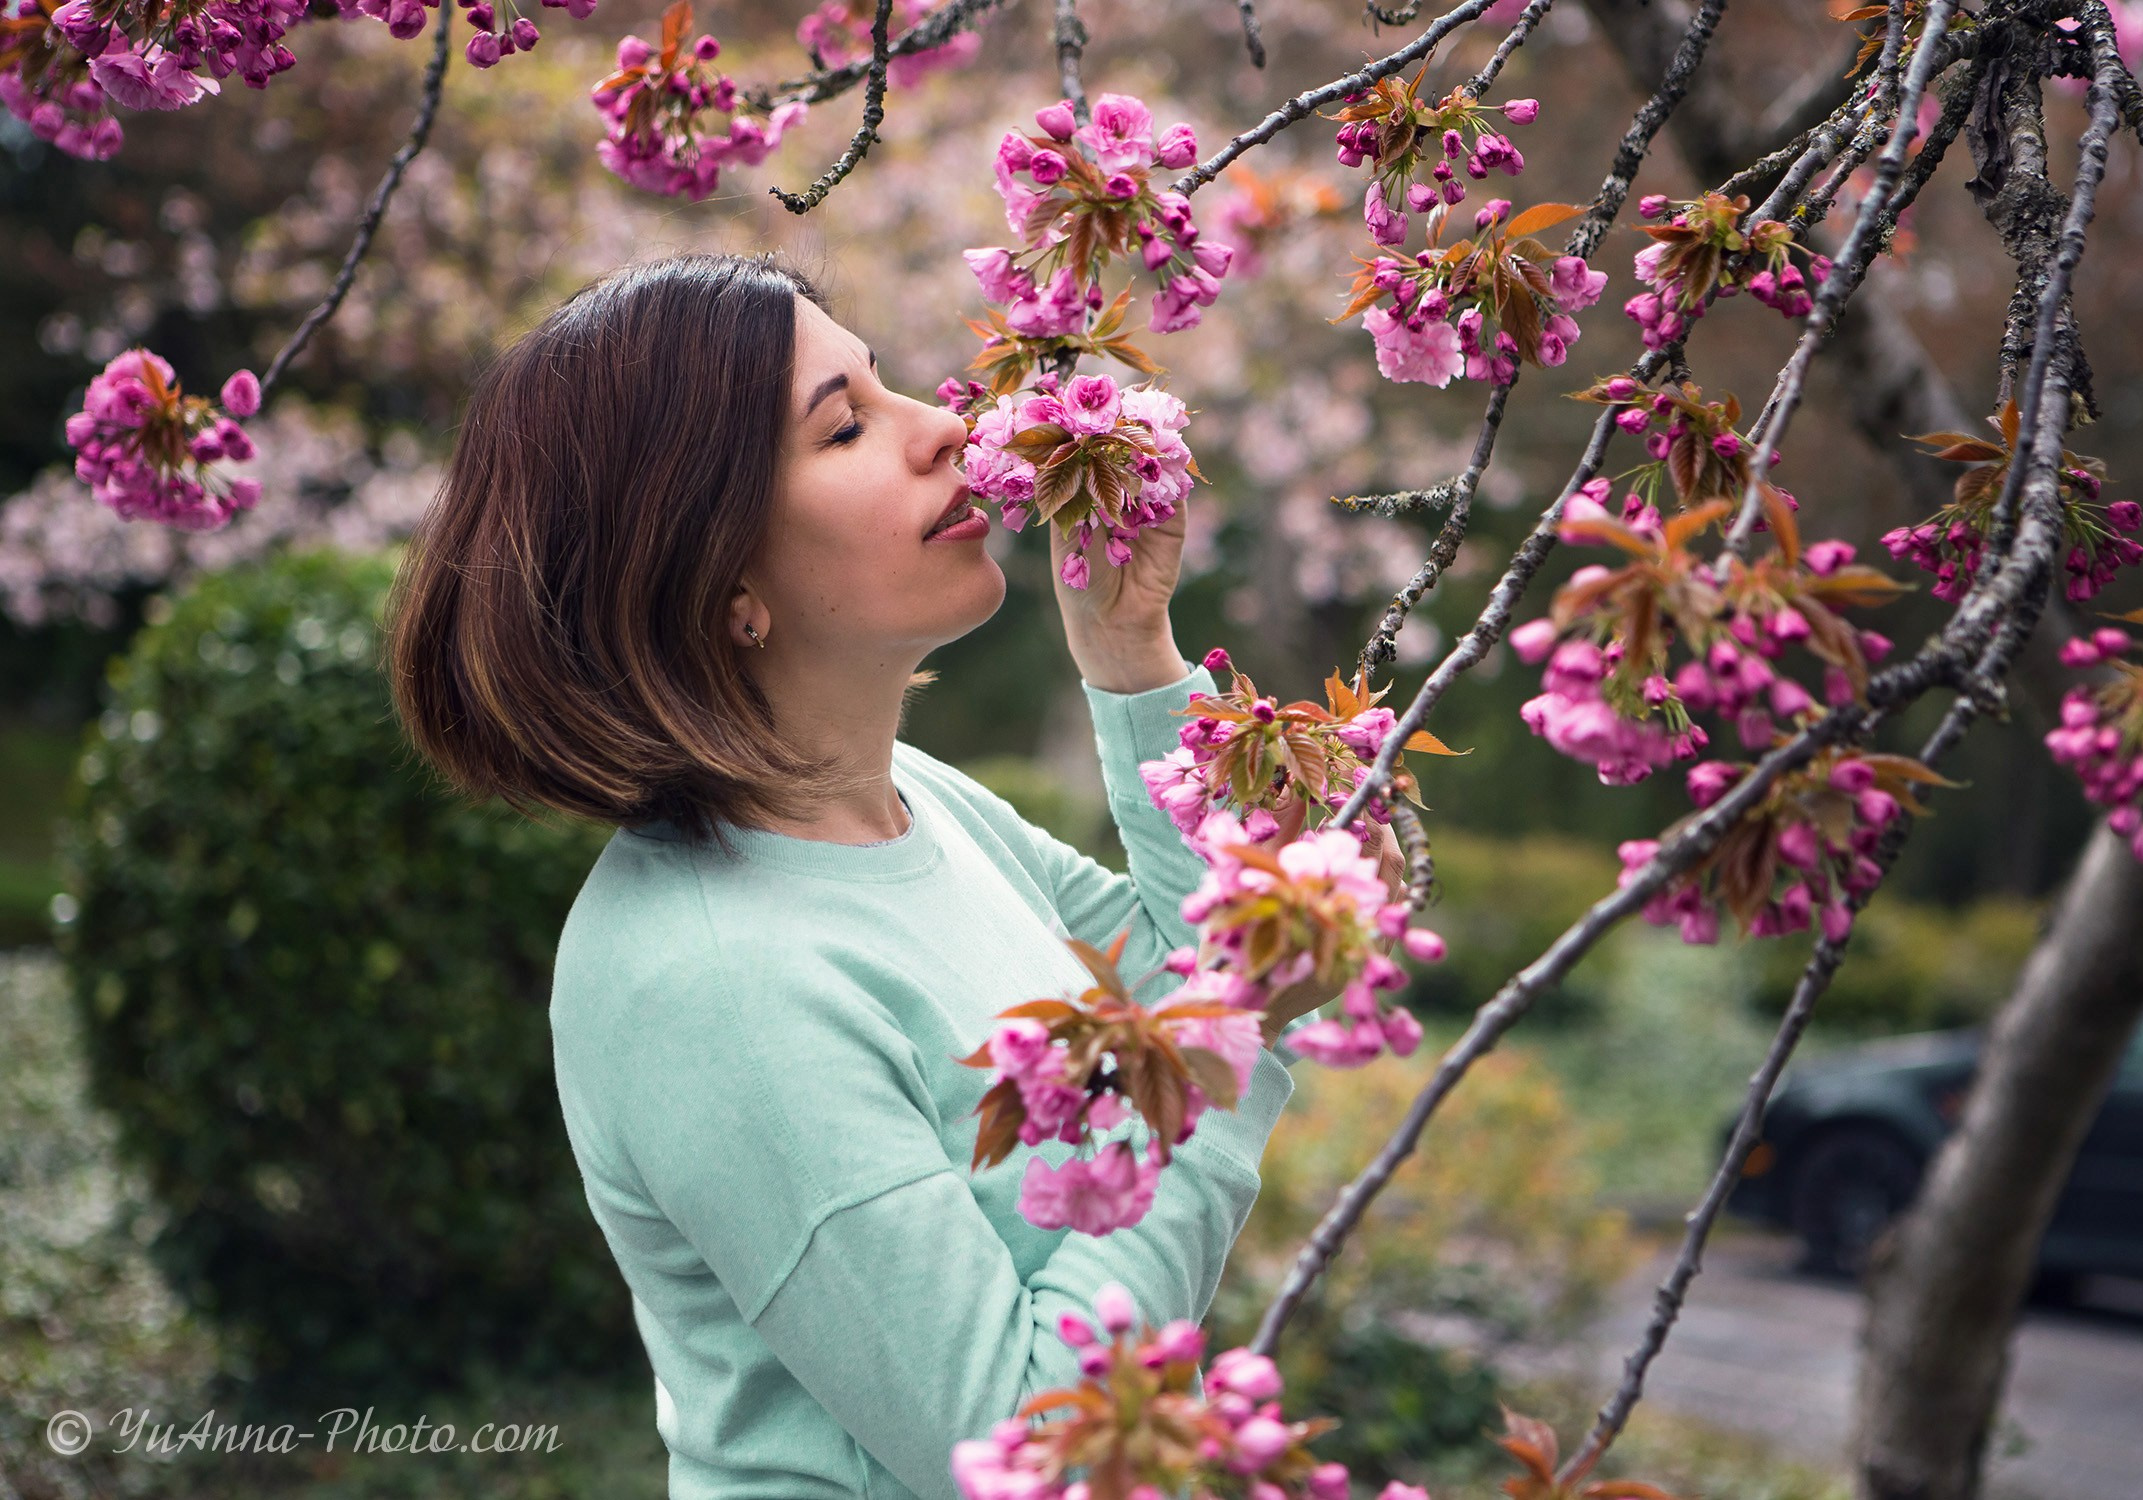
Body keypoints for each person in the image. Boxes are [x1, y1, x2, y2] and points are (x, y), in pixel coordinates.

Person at [385, 252, 1404, 1500]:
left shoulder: (918, 808)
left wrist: (1134, 658)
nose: (948, 431)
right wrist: (1231, 1023)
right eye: (847, 425)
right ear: (720, 578)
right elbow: (1018, 1442)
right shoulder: (711, 982)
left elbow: (1177, 959)